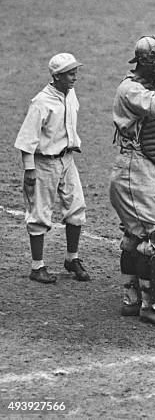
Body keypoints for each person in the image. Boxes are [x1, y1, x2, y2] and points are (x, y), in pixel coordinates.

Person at [109, 36, 155, 327]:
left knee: (137, 236)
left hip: (142, 169)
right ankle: (151, 305)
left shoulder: (146, 86)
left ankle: (132, 299)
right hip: (131, 171)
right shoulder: (129, 90)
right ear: (149, 63)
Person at [14, 53, 90, 284]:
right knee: (39, 214)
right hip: (44, 163)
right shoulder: (41, 102)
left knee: (77, 208)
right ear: (56, 76)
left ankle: (72, 258)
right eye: (70, 73)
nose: (75, 76)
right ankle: (37, 266)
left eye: (76, 71)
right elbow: (27, 139)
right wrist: (29, 169)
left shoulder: (70, 94)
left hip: (67, 160)